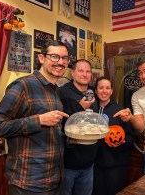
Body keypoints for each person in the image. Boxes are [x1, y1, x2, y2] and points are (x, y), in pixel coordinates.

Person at [0, 40, 70, 195]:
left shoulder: (56, 90)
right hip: (29, 183)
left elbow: (50, 133)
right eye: (54, 57)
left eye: (65, 58)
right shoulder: (23, 86)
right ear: (41, 58)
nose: (61, 62)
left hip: (55, 179)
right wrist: (38, 120)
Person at [58, 59, 98, 195]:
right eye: (81, 71)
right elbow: (60, 123)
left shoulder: (93, 93)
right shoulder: (62, 92)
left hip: (89, 162)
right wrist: (80, 107)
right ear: (73, 73)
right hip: (68, 162)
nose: (85, 74)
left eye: (88, 71)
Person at [93, 77, 134, 195]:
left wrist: (121, 144)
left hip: (116, 165)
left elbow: (130, 138)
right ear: (96, 90)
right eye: (101, 88)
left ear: (111, 91)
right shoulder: (91, 109)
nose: (104, 91)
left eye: (107, 88)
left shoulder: (120, 111)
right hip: (95, 165)